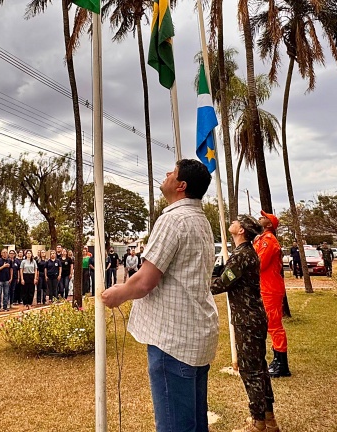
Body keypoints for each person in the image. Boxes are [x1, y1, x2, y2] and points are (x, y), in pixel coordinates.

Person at [100, 160, 218, 432]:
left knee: (175, 425)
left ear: (181, 185)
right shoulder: (201, 220)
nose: (166, 175)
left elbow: (144, 282)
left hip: (172, 341)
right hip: (196, 334)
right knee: (194, 422)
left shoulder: (173, 219)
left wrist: (118, 293)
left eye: (172, 173)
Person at [211, 216, 276, 432]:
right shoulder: (247, 253)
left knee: (251, 370)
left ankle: (258, 423)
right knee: (260, 368)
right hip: (253, 317)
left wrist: (198, 287)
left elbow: (223, 283)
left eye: (237, 221)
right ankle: (269, 418)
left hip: (247, 320)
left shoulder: (241, 255)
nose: (234, 222)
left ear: (241, 231)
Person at [256, 213, 291, 379]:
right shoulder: (261, 239)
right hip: (265, 287)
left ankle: (281, 364)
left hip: (270, 288)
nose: (259, 218)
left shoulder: (268, 240)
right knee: (271, 325)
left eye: (263, 217)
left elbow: (260, 263)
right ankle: (277, 359)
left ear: (270, 224)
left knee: (274, 325)